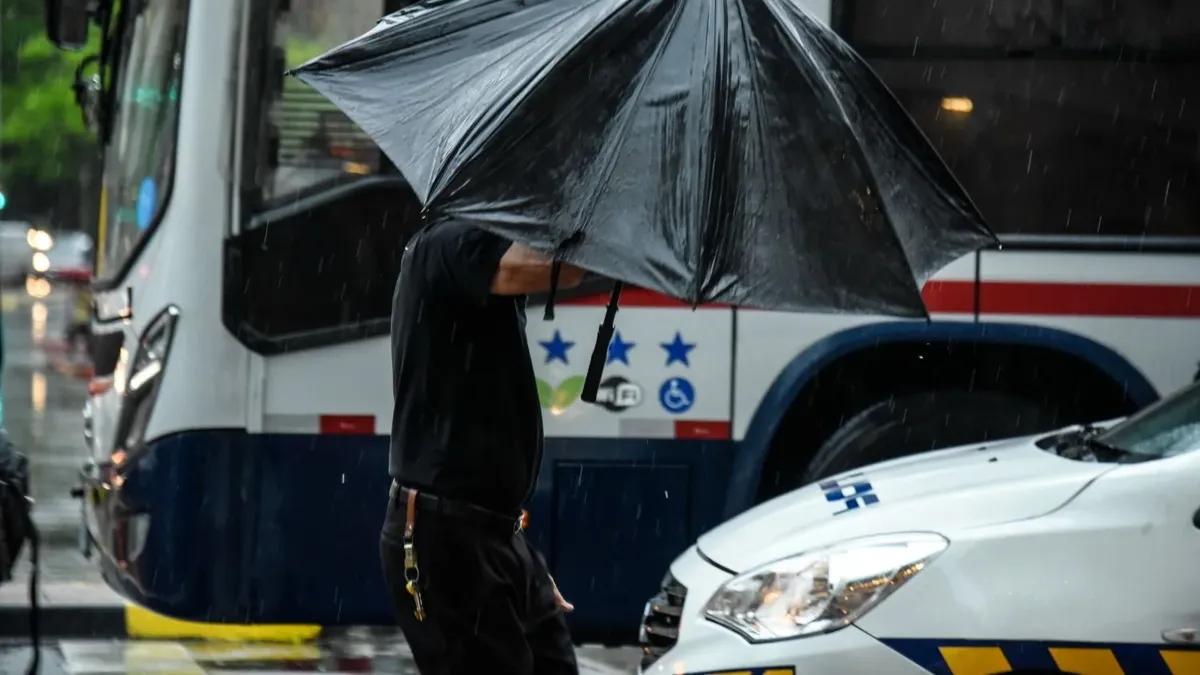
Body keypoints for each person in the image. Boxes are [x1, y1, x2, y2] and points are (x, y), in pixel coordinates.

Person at [382, 218, 586, 674]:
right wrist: (593, 216)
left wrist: (515, 562)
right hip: (446, 537)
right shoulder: (450, 241)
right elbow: (557, 270)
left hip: (493, 536)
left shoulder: (463, 252)